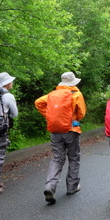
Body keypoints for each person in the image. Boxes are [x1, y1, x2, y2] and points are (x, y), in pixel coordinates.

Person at [35, 72, 86, 205]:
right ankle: (72, 187)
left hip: (55, 131)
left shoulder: (52, 95)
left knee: (57, 158)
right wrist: (73, 118)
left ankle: (50, 186)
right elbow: (81, 114)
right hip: (71, 130)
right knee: (74, 157)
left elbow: (38, 102)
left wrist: (49, 116)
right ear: (73, 82)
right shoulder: (76, 94)